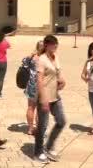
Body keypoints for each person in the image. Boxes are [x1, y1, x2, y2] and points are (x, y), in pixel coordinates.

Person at [35, 35, 66, 163]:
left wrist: (62, 80)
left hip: (55, 96)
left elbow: (58, 72)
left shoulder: (55, 57)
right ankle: (38, 152)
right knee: (42, 126)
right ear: (47, 45)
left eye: (56, 44)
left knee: (61, 121)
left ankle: (48, 146)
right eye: (53, 44)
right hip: (45, 96)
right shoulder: (41, 60)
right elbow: (39, 80)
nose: (55, 46)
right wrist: (43, 99)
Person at [24, 40, 43, 136]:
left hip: (31, 85)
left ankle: (30, 129)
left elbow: (24, 63)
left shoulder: (32, 57)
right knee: (40, 109)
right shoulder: (46, 58)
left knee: (30, 107)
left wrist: (31, 55)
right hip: (41, 86)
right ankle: (39, 129)